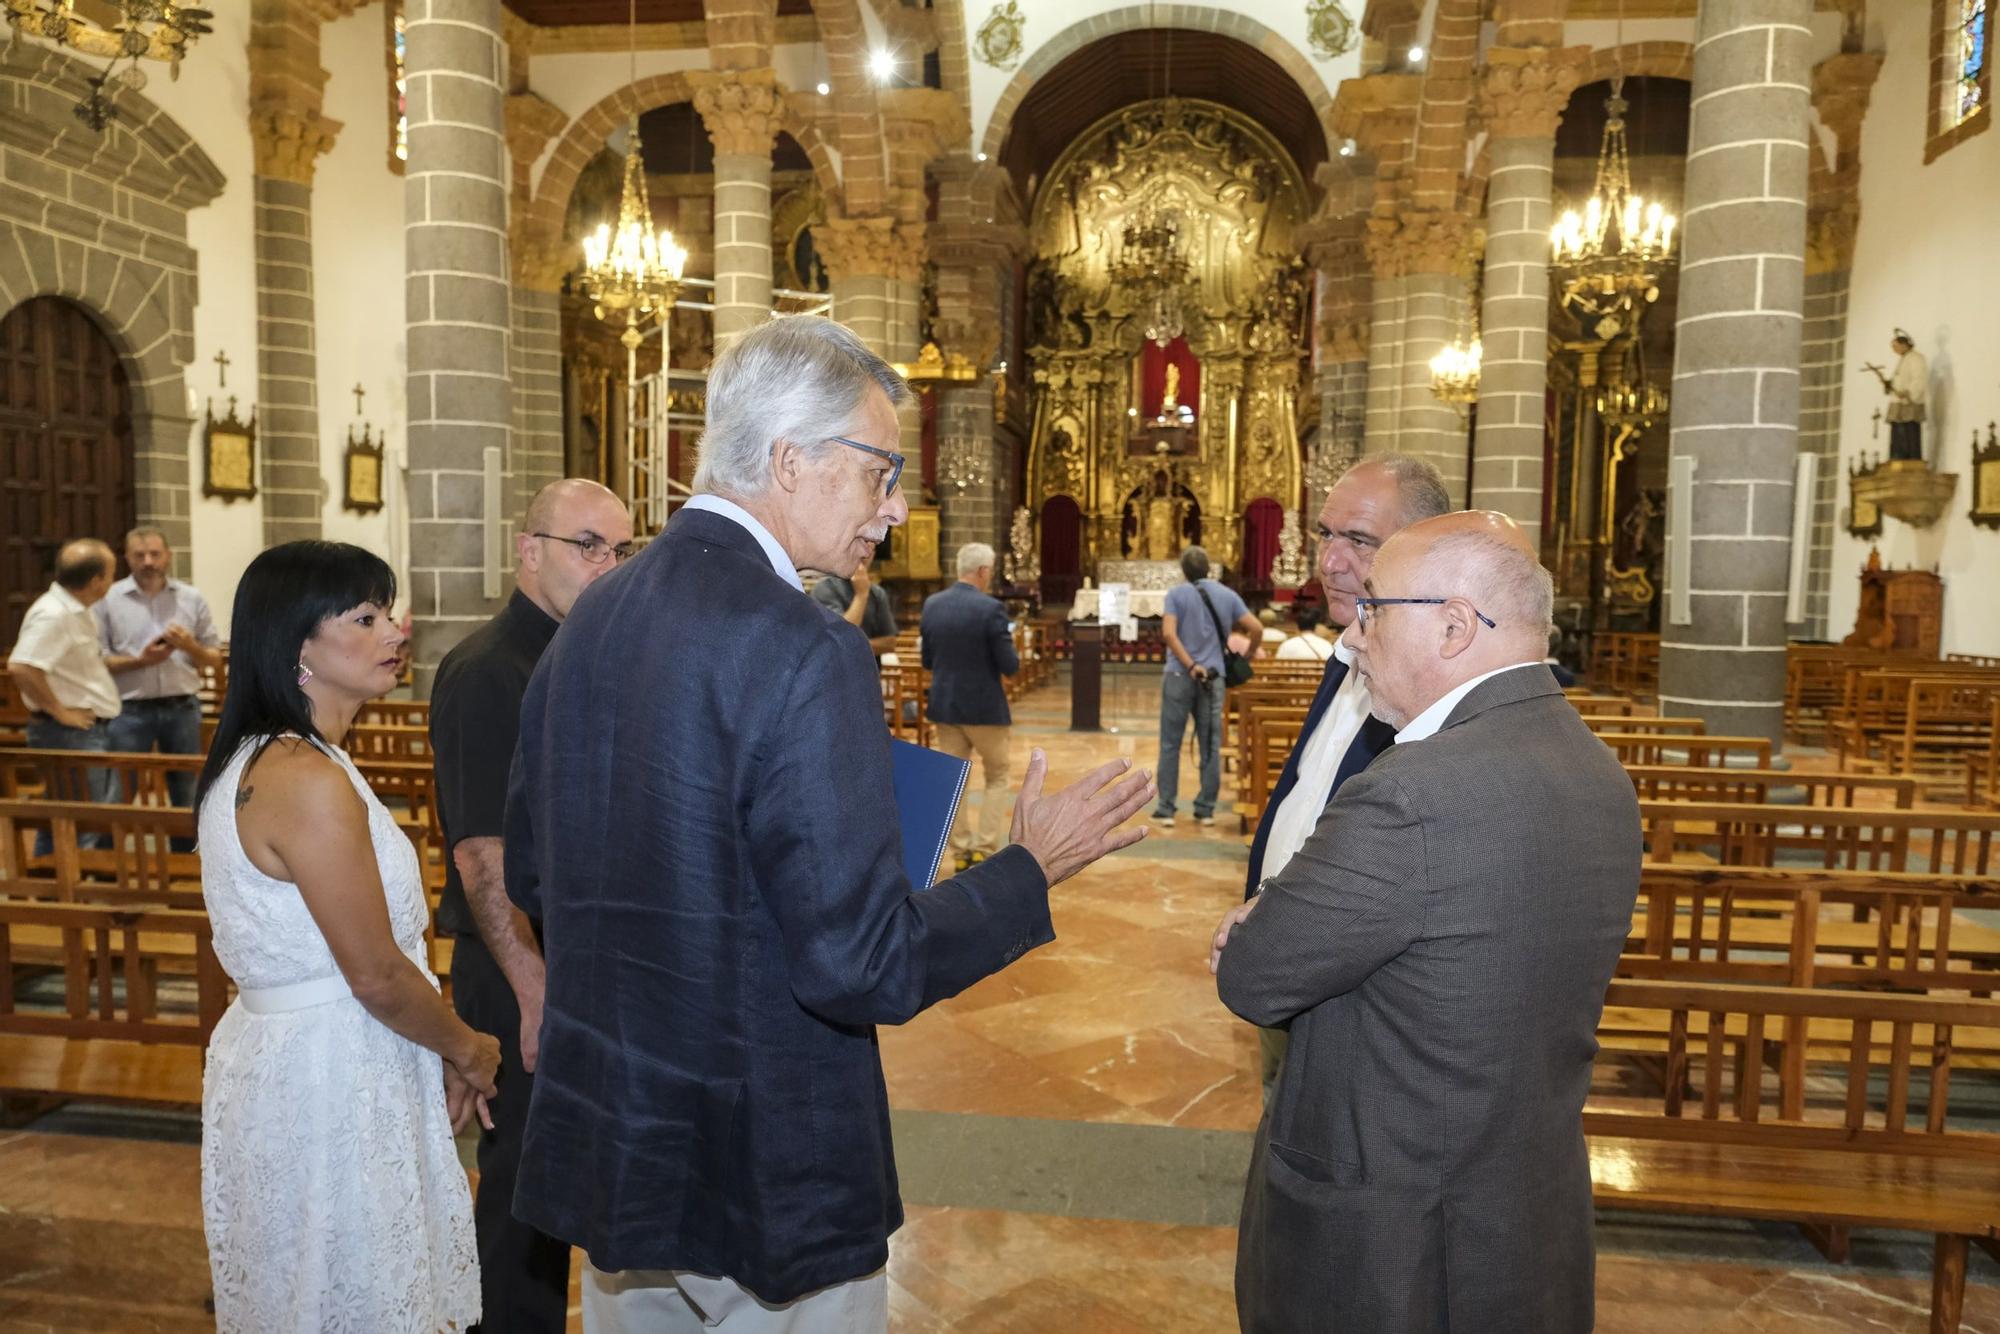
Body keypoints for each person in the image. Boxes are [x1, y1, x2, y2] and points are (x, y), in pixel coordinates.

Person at [505, 314, 1154, 1332]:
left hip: (623, 1141)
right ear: (789, 459)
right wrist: (1030, 865)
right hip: (762, 1159)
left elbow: (538, 873)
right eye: (879, 472)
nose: (894, 507)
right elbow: (859, 965)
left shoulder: (591, 615)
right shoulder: (805, 647)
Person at [1210, 514, 1642, 1334]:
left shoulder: (1408, 794)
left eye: (1373, 610)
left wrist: (1272, 911)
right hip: (1525, 1216)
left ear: (1452, 626)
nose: (1353, 639)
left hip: (1391, 1242)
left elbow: (1256, 976)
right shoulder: (1595, 769)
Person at [193, 541, 497, 1332]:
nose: (396, 631)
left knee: (323, 1290)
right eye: (365, 617)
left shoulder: (294, 758)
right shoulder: (305, 778)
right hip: (332, 1072)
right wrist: (469, 1047)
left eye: (389, 612)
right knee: (348, 1293)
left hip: (320, 1057)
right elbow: (375, 974)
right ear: (297, 645)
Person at [430, 478, 633, 1333]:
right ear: (529, 550)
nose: (607, 566)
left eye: (620, 550)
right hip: (517, 961)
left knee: (567, 1178)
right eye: (588, 545)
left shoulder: (591, 654)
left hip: (577, 956)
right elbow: (482, 854)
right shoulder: (486, 670)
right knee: (521, 1192)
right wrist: (533, 987)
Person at [1241, 457, 1452, 1098]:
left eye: (1358, 540)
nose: (1329, 561)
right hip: (1285, 958)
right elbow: (1310, 789)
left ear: (1424, 549)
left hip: (1350, 991)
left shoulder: (1431, 687)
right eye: (1325, 535)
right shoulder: (1346, 652)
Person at [95, 526, 223, 826]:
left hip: (181, 707)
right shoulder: (109, 599)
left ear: (168, 556)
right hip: (129, 709)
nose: (148, 561)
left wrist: (190, 645)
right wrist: (140, 661)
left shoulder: (191, 598)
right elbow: (97, 659)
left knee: (187, 791)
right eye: (140, 555)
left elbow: (215, 659)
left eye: (155, 554)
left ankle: (187, 862)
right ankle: (109, 867)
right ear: (127, 557)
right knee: (120, 792)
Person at [8, 540, 122, 845]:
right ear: (97, 579)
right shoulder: (54, 614)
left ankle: (55, 890)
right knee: (80, 823)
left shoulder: (76, 609)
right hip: (67, 732)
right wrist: (60, 711)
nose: (112, 580)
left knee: (66, 819)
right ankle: (69, 891)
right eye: (111, 573)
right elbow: (22, 667)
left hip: (81, 731)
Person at [921, 541, 1020, 869]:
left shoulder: (932, 605)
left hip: (946, 705)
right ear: (982, 571)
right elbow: (1009, 665)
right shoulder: (991, 609)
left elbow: (927, 660)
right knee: (997, 775)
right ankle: (984, 848)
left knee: (953, 778)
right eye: (989, 571)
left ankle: (961, 850)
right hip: (985, 709)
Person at [1153, 545, 1263, 827]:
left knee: (1170, 743)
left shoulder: (1176, 594)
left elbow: (1168, 632)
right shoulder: (1227, 595)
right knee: (1210, 743)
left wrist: (1190, 664)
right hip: (1214, 679)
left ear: (1184, 570)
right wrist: (1248, 655)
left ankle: (1166, 808)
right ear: (1209, 569)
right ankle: (1206, 809)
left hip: (1180, 675)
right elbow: (1256, 628)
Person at [811, 554, 898, 658]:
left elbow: (890, 643)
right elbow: (841, 637)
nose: (865, 554)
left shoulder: (878, 593)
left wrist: (852, 647)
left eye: (870, 549)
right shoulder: (825, 589)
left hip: (869, 670)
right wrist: (861, 596)